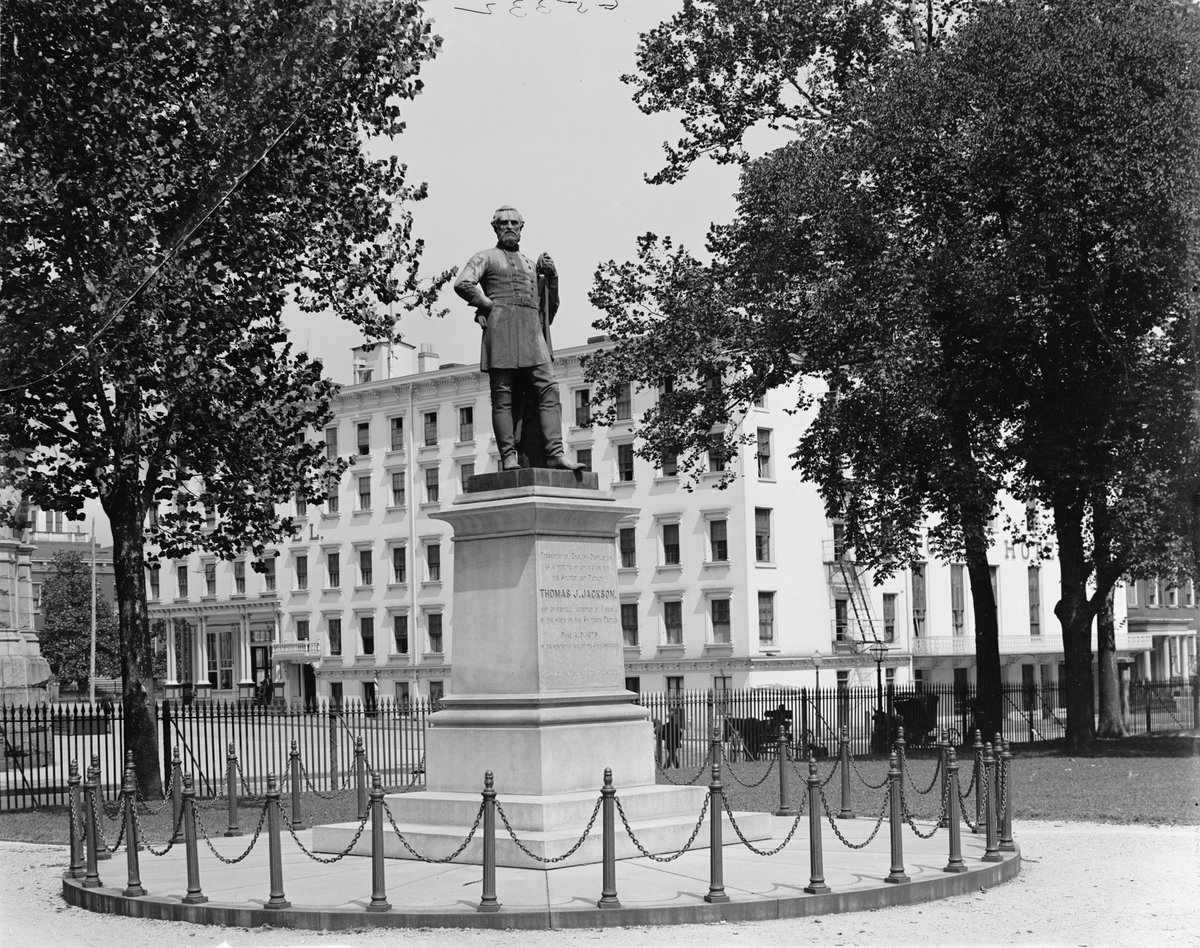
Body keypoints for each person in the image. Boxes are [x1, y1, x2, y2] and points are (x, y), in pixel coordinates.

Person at [454, 206, 580, 472]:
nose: (509, 226)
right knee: (502, 396)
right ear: (495, 227)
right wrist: (488, 306)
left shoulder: (531, 264)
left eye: (514, 222)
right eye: (503, 223)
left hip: (532, 333)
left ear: (522, 227)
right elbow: (463, 283)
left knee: (549, 388)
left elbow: (548, 308)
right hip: (501, 332)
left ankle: (555, 452)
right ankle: (508, 456)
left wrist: (552, 276)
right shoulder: (485, 257)